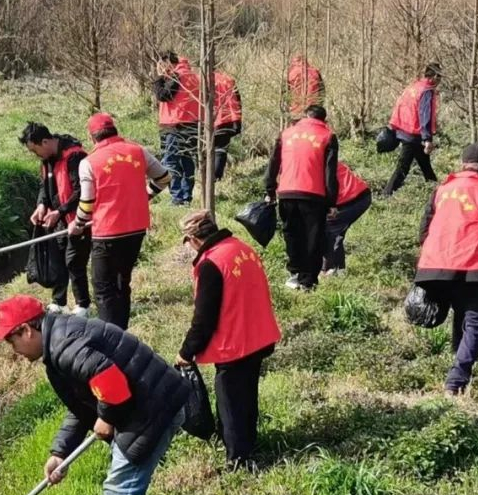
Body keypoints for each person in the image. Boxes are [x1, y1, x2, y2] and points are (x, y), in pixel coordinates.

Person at [0, 294, 190, 495]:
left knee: (121, 485)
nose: (12, 350)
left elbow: (111, 382)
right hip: (150, 401)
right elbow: (83, 404)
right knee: (128, 483)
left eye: (10, 341)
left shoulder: (63, 346)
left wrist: (106, 418)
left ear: (26, 330)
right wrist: (60, 453)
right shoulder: (59, 339)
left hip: (154, 405)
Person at [175, 211, 280, 471]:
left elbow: (204, 319)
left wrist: (186, 352)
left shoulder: (211, 263)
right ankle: (248, 442)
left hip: (235, 343)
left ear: (193, 239)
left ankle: (239, 460)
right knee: (247, 394)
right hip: (259, 335)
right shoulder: (241, 248)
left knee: (230, 402)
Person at [415, 144, 478, 396]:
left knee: (461, 317)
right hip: (476, 268)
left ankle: (459, 367)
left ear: (463, 164)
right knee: (477, 323)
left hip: (436, 267)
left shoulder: (442, 190)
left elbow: (423, 232)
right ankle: (457, 378)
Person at [69, 113, 171, 330]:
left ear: (92, 137)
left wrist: (77, 225)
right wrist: (146, 195)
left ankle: (111, 337)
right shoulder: (138, 151)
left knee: (103, 287)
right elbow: (164, 178)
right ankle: (121, 330)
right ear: (114, 130)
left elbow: (87, 203)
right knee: (122, 281)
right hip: (136, 228)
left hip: (107, 232)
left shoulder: (89, 162)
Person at [263, 105, 339, 291]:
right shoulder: (328, 136)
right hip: (314, 194)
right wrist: (332, 202)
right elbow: (330, 172)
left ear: (305, 116)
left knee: (292, 233)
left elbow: (273, 162)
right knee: (313, 237)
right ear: (323, 120)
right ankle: (308, 280)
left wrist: (270, 189)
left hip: (287, 191)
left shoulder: (286, 134)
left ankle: (294, 273)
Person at [19, 122, 91, 316]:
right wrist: (41, 204)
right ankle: (59, 302)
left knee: (74, 262)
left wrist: (60, 211)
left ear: (45, 142)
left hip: (78, 218)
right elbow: (45, 186)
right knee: (58, 259)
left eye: (36, 151)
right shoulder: (47, 159)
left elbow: (81, 191)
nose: (36, 155)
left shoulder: (75, 157)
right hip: (58, 220)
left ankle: (83, 305)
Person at [383, 63, 442, 196]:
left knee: (425, 165)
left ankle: (437, 193)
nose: (440, 81)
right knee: (403, 166)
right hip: (413, 134)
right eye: (439, 77)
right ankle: (386, 194)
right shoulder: (427, 90)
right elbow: (424, 114)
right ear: (434, 76)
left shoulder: (415, 86)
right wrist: (427, 139)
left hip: (404, 129)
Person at [153, 50, 200, 206]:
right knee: (187, 160)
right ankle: (187, 196)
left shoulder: (176, 76)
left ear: (167, 63)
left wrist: (159, 77)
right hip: (192, 123)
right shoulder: (193, 76)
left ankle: (177, 197)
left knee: (171, 161)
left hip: (175, 124)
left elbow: (162, 95)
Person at [323, 162, 373, 276]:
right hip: (360, 195)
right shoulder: (326, 154)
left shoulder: (316, 163)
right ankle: (338, 268)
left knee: (328, 231)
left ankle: (326, 269)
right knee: (336, 231)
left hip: (350, 199)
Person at [213, 70, 243, 181]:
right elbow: (237, 102)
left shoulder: (201, 80)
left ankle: (208, 179)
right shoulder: (228, 80)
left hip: (207, 121)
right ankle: (216, 177)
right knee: (221, 150)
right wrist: (237, 121)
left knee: (207, 151)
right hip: (226, 119)